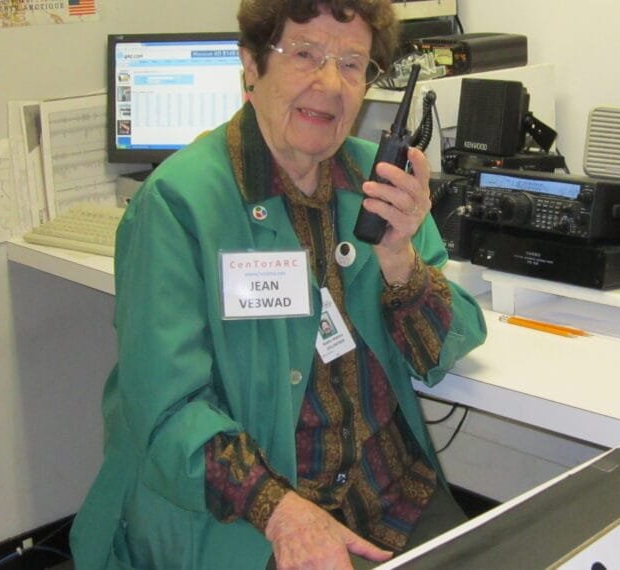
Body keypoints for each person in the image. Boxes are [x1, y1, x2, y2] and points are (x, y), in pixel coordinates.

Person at [69, 0, 488, 568]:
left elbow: (441, 352)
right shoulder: (176, 205)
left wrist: (399, 257)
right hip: (252, 510)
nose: (329, 82)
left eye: (352, 63)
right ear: (251, 64)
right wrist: (284, 513)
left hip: (389, 490)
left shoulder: (378, 185)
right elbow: (166, 412)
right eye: (305, 54)